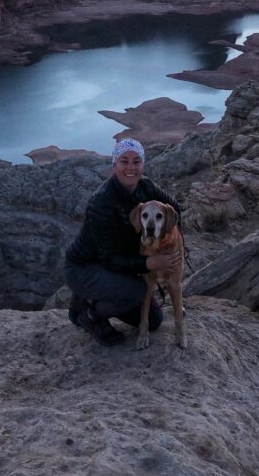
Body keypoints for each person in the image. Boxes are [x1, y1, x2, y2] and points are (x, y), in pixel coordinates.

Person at [65, 138, 183, 346]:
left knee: (154, 320)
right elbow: (109, 259)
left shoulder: (146, 187)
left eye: (136, 162)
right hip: (86, 267)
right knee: (137, 291)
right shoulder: (101, 202)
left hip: (119, 265)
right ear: (114, 164)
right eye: (124, 161)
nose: (131, 168)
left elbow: (174, 210)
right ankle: (89, 312)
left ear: (142, 165)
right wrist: (150, 264)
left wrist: (169, 241)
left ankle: (102, 294)